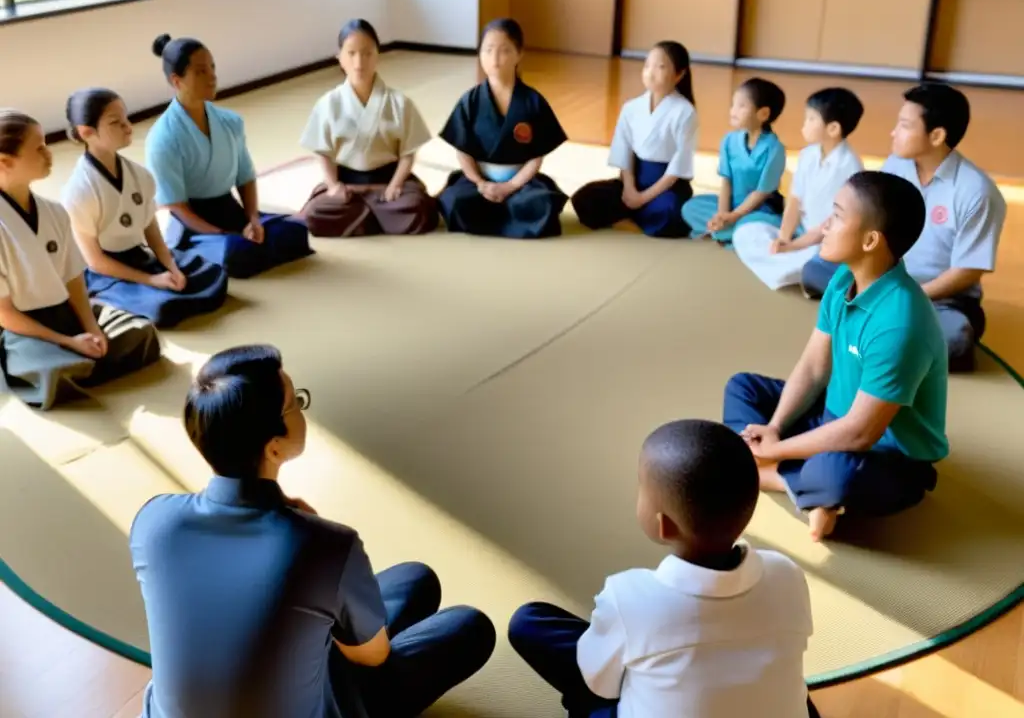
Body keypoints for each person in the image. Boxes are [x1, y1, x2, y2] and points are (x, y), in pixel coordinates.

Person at [129, 344, 496, 718]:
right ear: (274, 448)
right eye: (296, 403)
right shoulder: (325, 545)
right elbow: (372, 656)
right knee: (470, 628)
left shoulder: (153, 522)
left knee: (416, 579)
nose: (302, 410)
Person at [508, 419, 817, 718]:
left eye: (641, 487)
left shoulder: (627, 597)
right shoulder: (786, 573)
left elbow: (599, 683)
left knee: (529, 623)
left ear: (663, 525)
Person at [724, 171, 949, 542]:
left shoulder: (900, 322)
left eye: (837, 216)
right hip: (832, 416)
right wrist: (777, 427)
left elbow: (861, 432)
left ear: (871, 240)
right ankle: (806, 491)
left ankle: (768, 473)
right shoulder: (844, 279)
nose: (824, 225)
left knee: (834, 476)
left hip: (889, 455)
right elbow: (813, 368)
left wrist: (776, 448)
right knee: (742, 388)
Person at [800, 83, 1006, 372]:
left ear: (936, 135)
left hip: (937, 297)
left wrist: (906, 296)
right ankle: (888, 325)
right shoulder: (896, 165)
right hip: (882, 276)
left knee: (955, 336)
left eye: (905, 125)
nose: (893, 132)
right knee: (815, 270)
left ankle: (874, 318)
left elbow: (967, 271)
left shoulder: (976, 191)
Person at [0, 109, 160, 410]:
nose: (49, 154)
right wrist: (68, 341)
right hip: (23, 329)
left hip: (67, 314)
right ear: (5, 162)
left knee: (141, 333)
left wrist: (92, 329)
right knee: (54, 371)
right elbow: (4, 313)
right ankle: (73, 359)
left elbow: (74, 277)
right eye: (39, 148)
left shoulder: (54, 212)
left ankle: (83, 358)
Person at [145, 34, 313, 278]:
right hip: (192, 225)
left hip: (232, 212)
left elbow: (245, 177)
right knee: (236, 251)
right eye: (201, 71)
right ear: (176, 80)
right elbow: (178, 207)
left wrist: (253, 219)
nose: (212, 76)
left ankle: (244, 240)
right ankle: (222, 247)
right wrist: (223, 235)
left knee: (296, 231)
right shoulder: (162, 138)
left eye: (212, 68)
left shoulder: (230, 122)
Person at [61, 88, 229, 328]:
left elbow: (150, 228)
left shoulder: (139, 175)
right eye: (115, 123)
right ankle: (106, 298)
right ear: (86, 132)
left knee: (214, 274)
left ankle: (157, 285)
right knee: (163, 307)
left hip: (141, 257)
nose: (128, 127)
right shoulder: (78, 192)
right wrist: (152, 280)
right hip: (105, 272)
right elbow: (95, 260)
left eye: (126, 119)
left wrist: (170, 266)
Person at [298, 19, 439, 237]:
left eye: (367, 53)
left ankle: (362, 221)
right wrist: (333, 186)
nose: (359, 62)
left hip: (389, 183)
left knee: (419, 208)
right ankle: (382, 219)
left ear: (377, 55)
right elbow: (323, 153)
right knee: (314, 214)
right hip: (348, 187)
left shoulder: (399, 102)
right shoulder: (328, 103)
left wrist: (395, 185)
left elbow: (408, 153)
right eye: (351, 53)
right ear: (340, 58)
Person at [437, 18, 569, 238]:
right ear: (480, 54)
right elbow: (463, 150)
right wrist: (480, 183)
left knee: (541, 203)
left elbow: (536, 156)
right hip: (479, 182)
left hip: (520, 182)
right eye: (488, 50)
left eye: (504, 51)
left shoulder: (533, 101)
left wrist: (511, 186)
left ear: (519, 54)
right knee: (455, 201)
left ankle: (501, 212)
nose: (495, 59)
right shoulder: (470, 100)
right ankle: (506, 216)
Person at [733, 88, 863, 290]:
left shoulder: (850, 167)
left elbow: (832, 223)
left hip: (825, 239)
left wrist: (793, 247)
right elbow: (794, 200)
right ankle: (784, 267)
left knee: (817, 259)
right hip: (800, 231)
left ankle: (787, 267)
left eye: (811, 119)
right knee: (745, 232)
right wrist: (783, 239)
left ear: (833, 128)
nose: (804, 125)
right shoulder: (807, 155)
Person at [571, 41, 697, 237]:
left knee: (672, 211)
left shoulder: (685, 112)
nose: (650, 72)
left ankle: (631, 217)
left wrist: (644, 197)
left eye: (660, 67)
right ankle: (633, 218)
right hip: (634, 181)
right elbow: (624, 151)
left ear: (679, 74)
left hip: (665, 188)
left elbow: (678, 167)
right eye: (647, 65)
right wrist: (629, 188)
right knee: (584, 197)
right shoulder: (632, 107)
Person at [681, 77, 787, 246]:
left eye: (741, 106)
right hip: (731, 205)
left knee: (755, 224)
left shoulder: (775, 149)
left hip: (759, 210)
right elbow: (726, 182)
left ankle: (724, 232)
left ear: (763, 114)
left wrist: (734, 216)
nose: (733, 111)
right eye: (733, 105)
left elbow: (762, 193)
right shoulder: (729, 141)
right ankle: (727, 232)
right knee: (689, 208)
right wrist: (722, 214)